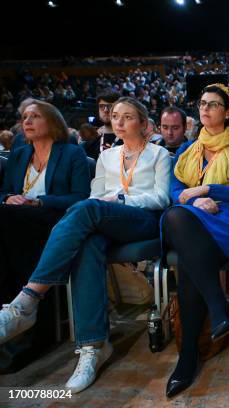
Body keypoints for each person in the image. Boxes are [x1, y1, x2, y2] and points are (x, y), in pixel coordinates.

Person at [0, 97, 171, 393]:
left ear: (144, 124)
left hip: (143, 220)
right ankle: (93, 346)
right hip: (104, 220)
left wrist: (120, 200)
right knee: (88, 241)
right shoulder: (106, 157)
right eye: (115, 116)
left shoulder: (159, 154)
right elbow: (93, 195)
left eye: (127, 117)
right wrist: (103, 204)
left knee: (87, 210)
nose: (118, 121)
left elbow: (161, 198)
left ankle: (27, 300)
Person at [161, 84, 229, 397]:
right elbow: (173, 191)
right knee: (174, 216)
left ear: (228, 112)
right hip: (194, 219)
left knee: (187, 257)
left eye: (214, 104)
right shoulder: (187, 148)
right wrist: (193, 202)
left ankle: (188, 357)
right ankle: (216, 309)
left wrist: (207, 190)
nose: (205, 109)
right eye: (202, 103)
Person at [0, 99, 90, 316]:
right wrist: (9, 197)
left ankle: (24, 313)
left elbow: (81, 197)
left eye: (35, 116)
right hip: (15, 218)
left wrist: (40, 201)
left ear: (53, 122)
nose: (27, 121)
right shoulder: (19, 154)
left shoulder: (71, 153)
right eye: (24, 118)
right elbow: (4, 192)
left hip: (54, 220)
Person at [80, 91, 122, 160]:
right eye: (101, 106)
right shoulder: (90, 140)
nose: (105, 110)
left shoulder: (128, 139)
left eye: (110, 106)